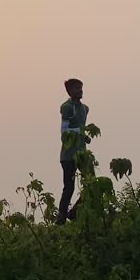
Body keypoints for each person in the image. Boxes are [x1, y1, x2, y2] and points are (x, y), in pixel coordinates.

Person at [57, 77, 89, 224]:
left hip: (82, 153)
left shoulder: (85, 108)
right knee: (69, 188)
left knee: (90, 184)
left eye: (81, 88)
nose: (80, 91)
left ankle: (74, 212)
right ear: (70, 91)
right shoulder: (67, 107)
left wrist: (85, 136)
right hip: (69, 155)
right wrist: (80, 133)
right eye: (77, 88)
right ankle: (61, 219)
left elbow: (81, 128)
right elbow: (64, 132)